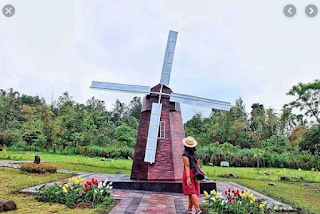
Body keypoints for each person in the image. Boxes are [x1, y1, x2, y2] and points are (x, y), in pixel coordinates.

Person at [182, 136, 202, 214]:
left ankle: (198, 210)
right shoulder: (197, 154)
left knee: (192, 192)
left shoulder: (185, 154)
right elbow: (197, 166)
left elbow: (187, 166)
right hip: (196, 173)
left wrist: (188, 177)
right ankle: (189, 209)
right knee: (191, 192)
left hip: (188, 173)